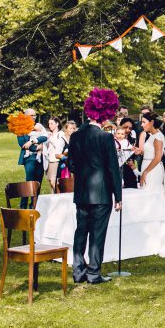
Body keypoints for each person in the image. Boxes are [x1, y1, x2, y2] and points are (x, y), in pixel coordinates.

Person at [70, 96, 122, 284]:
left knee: (80, 232)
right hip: (101, 193)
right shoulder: (106, 137)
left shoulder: (75, 136)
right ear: (105, 115)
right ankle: (93, 273)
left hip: (82, 192)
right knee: (97, 234)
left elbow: (71, 165)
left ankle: (78, 272)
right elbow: (113, 168)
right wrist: (118, 196)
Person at [138, 111, 165, 195]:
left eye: (144, 122)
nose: (142, 125)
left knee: (151, 195)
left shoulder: (158, 137)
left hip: (152, 170)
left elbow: (158, 157)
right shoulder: (152, 136)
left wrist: (145, 172)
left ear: (152, 122)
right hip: (147, 166)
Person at [43, 117, 63, 192]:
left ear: (57, 124)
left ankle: (60, 196)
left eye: (51, 123)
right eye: (49, 124)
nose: (49, 125)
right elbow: (46, 147)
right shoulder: (49, 135)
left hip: (55, 160)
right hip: (48, 160)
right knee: (50, 183)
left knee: (53, 182)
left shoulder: (60, 134)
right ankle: (52, 197)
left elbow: (58, 147)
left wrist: (51, 138)